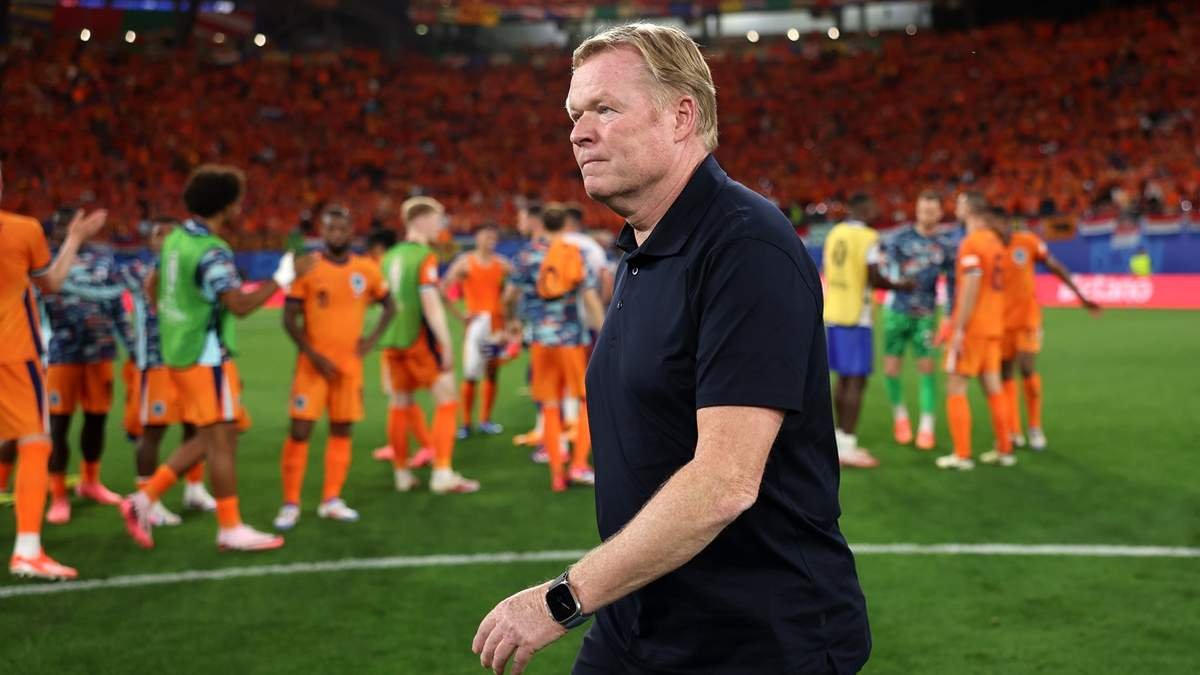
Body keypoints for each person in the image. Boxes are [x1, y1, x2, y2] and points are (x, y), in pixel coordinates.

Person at [474, 24, 870, 674]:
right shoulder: (645, 246)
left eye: (604, 108)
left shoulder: (744, 246)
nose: (578, 133)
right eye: (574, 115)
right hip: (640, 621)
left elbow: (724, 481)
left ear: (681, 116)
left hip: (753, 643)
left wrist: (563, 599)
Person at [120, 164, 308, 551]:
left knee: (216, 435)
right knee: (221, 440)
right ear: (226, 205)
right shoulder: (211, 249)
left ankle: (144, 498)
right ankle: (229, 527)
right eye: (237, 200)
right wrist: (284, 277)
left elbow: (152, 286)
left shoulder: (175, 239)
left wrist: (174, 320)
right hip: (205, 355)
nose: (240, 207)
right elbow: (239, 305)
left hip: (178, 352)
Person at [1, 160, 109, 579]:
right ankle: (27, 549)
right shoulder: (21, 229)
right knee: (34, 442)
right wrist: (76, 238)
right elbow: (51, 283)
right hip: (12, 353)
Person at [274, 204, 395, 530]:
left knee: (342, 430)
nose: (337, 234)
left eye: (342, 229)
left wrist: (370, 341)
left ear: (351, 231)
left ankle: (331, 499)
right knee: (300, 431)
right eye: (330, 228)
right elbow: (288, 318)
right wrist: (313, 355)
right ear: (322, 232)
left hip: (348, 368)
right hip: (312, 367)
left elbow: (390, 306)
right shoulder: (309, 267)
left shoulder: (366, 268)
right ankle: (290, 504)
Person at [379, 196, 479, 494]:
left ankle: (401, 473)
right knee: (447, 400)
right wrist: (446, 344)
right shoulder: (424, 257)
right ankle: (442, 473)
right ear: (420, 219)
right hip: (419, 340)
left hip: (392, 340)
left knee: (399, 403)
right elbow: (430, 305)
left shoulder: (390, 256)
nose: (441, 225)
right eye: (438, 218)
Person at [40, 209, 132, 524]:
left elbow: (117, 306)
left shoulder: (102, 260)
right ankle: (58, 494)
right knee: (57, 426)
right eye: (65, 226)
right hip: (61, 354)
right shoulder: (44, 261)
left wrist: (132, 347)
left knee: (96, 421)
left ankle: (90, 481)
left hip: (100, 352)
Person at [506, 204, 604, 491]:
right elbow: (589, 298)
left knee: (549, 406)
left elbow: (509, 296)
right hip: (571, 339)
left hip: (540, 340)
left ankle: (557, 475)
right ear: (565, 225)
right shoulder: (574, 252)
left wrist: (512, 321)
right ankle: (579, 465)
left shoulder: (526, 256)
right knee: (585, 402)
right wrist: (604, 331)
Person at [822, 194, 912, 468]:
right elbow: (873, 276)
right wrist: (901, 286)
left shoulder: (835, 233)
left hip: (834, 311)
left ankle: (839, 440)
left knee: (843, 379)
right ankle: (847, 446)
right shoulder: (868, 237)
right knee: (856, 381)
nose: (876, 210)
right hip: (856, 315)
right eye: (872, 206)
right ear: (862, 208)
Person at [997, 215, 1100, 450]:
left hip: (1028, 320)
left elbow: (1054, 266)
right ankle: (1013, 429)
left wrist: (1081, 296)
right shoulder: (989, 247)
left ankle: (1034, 427)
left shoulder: (1027, 242)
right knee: (1005, 373)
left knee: (1026, 368)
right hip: (1001, 322)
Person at [936, 199, 1015, 470]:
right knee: (993, 386)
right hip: (993, 326)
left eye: (960, 203)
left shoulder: (972, 243)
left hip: (972, 328)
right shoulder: (996, 242)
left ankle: (962, 455)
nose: (955, 207)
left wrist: (958, 328)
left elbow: (971, 282)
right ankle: (1005, 449)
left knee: (955, 385)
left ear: (969, 209)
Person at [880, 190, 957, 450]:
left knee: (926, 367)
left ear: (940, 213)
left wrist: (948, 316)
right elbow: (885, 268)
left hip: (925, 315)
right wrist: (896, 280)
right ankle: (900, 418)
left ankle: (926, 426)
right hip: (896, 312)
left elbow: (952, 283)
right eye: (923, 210)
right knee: (891, 368)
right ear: (917, 210)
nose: (927, 215)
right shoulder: (898, 238)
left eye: (932, 211)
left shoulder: (946, 244)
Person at [440, 225, 513, 439]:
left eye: (494, 237)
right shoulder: (465, 263)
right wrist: (460, 315)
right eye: (487, 236)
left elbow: (517, 286)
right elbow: (443, 287)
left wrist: (510, 316)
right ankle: (465, 423)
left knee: (492, 371)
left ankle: (485, 420)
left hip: (497, 325)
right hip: (476, 324)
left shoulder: (502, 264)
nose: (491, 240)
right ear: (478, 238)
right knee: (471, 373)